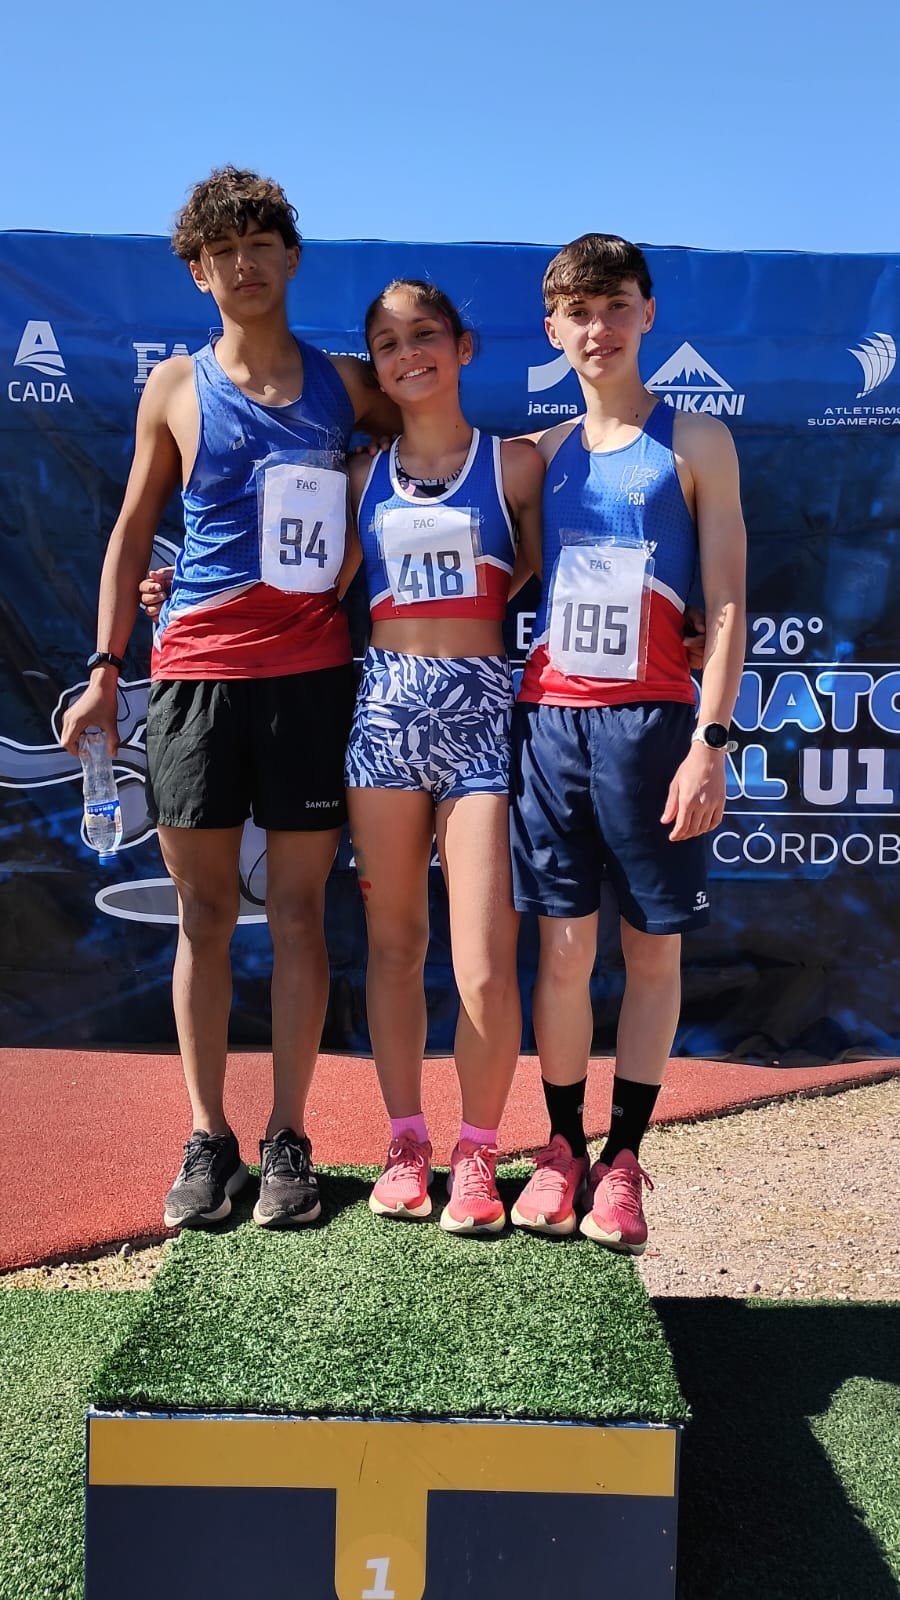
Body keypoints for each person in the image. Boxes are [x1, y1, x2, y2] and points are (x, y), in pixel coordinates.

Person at [60, 167, 399, 1232]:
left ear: (292, 257)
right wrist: (108, 666)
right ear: (199, 273)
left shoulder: (351, 385)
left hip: (307, 680)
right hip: (196, 678)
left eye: (260, 242)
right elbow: (129, 530)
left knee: (299, 913)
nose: (242, 263)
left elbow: (432, 464)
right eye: (221, 251)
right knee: (204, 916)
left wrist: (359, 526)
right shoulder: (172, 385)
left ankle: (288, 1138)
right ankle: (208, 1138)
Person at [509, 233, 746, 1250]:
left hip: (656, 727)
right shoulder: (544, 454)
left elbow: (728, 602)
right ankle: (561, 1149)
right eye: (577, 311)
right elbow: (494, 578)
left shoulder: (695, 440)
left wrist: (712, 741)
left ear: (647, 314)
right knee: (563, 956)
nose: (596, 328)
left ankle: (625, 1161)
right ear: (553, 329)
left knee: (652, 954)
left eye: (614, 307)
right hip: (551, 728)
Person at [345, 279, 543, 1232]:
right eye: (387, 344)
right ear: (375, 365)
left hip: (483, 716)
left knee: (483, 966)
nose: (407, 354)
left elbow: (562, 562)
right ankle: (405, 1139)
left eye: (424, 335)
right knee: (393, 946)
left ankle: (477, 1150)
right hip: (385, 715)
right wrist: (170, 589)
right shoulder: (360, 477)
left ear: (463, 347)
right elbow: (302, 581)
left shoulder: (515, 468)